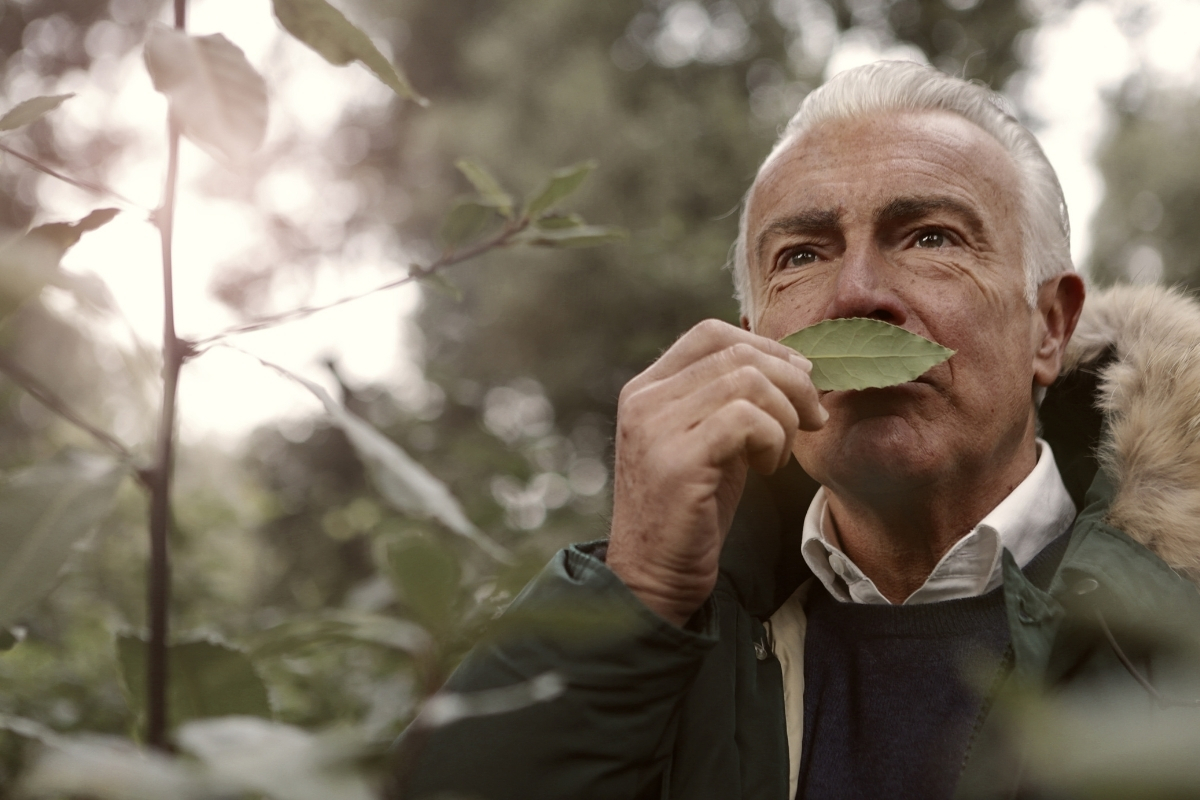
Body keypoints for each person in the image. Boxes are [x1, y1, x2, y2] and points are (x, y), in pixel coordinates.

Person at [397, 61, 1200, 800]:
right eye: (802, 256)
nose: (856, 295)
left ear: (1050, 328)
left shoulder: (1174, 625)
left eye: (930, 237)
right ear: (752, 336)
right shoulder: (678, 639)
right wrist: (637, 595)